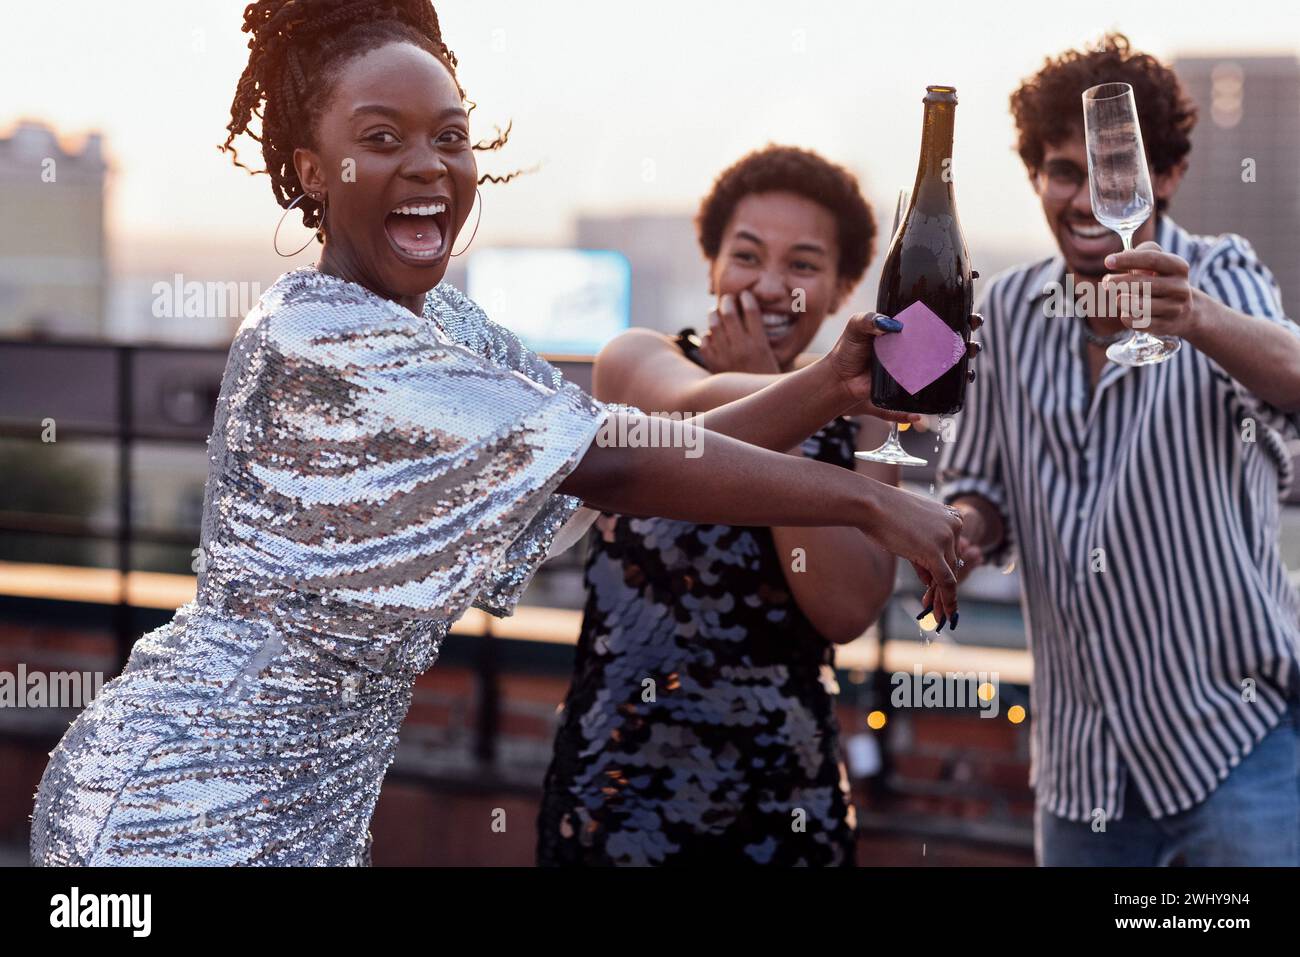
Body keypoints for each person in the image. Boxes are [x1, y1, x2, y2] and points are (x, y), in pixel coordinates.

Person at [28, 0, 963, 866]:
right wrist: (868, 499)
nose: (430, 164)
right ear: (313, 169)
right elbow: (616, 467)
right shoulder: (315, 336)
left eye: (451, 136)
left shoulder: (443, 325)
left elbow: (611, 448)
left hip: (306, 802)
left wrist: (827, 388)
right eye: (381, 138)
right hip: (177, 804)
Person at [940, 33, 1300, 866]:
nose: (1081, 196)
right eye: (1062, 170)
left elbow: (1291, 376)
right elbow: (980, 487)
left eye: (1109, 170)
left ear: (1165, 175)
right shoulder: (1012, 310)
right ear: (1036, 176)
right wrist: (952, 532)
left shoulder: (1219, 272)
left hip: (1232, 747)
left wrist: (1200, 320)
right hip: (1082, 768)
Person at [537, 146, 910, 866]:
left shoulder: (864, 414)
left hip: (783, 809)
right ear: (711, 264)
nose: (770, 286)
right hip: (617, 796)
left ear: (838, 292)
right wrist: (767, 385)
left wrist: (785, 394)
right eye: (746, 256)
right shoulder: (636, 362)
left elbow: (845, 607)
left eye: (802, 266)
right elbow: (683, 414)